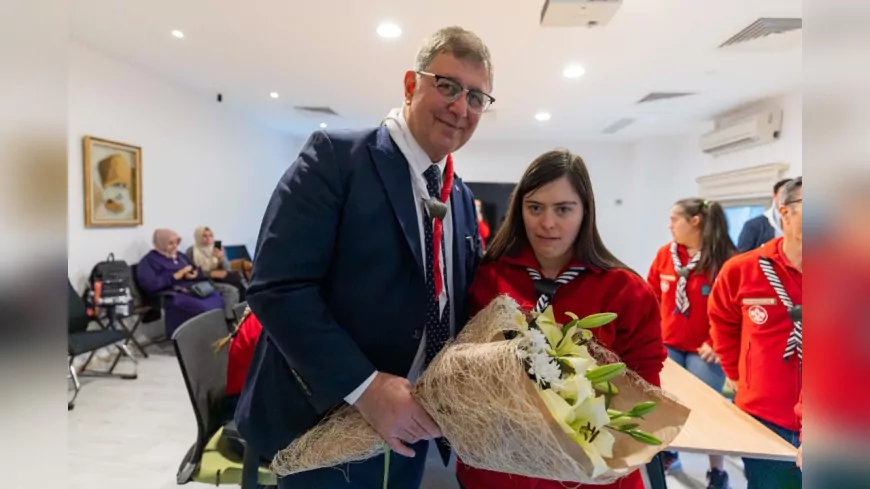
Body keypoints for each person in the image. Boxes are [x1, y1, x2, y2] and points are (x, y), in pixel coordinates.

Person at [235, 26, 493, 489]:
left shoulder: (459, 198)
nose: (461, 107)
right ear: (411, 85)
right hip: (321, 425)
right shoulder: (335, 159)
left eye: (477, 97)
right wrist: (367, 388)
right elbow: (278, 289)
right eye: (448, 85)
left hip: (413, 427)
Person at [455, 149, 667, 489]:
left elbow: (645, 393)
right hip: (499, 471)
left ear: (585, 212)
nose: (548, 223)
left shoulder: (625, 291)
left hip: (587, 475)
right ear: (519, 209)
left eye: (563, 209)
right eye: (535, 207)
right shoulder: (489, 278)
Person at [709, 177, 803, 489]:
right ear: (784, 211)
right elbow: (722, 320)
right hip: (763, 413)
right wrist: (736, 372)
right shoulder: (743, 269)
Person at [646, 198, 736, 488]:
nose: (669, 225)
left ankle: (717, 471)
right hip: (668, 343)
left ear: (695, 221)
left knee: (708, 412)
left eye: (675, 219)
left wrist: (716, 342)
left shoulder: (724, 260)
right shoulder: (665, 255)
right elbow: (650, 297)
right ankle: (668, 452)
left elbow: (733, 309)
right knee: (664, 405)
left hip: (704, 350)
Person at [136, 229, 224, 337]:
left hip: (191, 289)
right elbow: (150, 284)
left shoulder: (180, 256)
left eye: (176, 242)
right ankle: (187, 337)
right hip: (171, 293)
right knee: (202, 306)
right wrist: (175, 276)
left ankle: (211, 334)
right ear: (161, 243)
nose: (175, 246)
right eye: (170, 243)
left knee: (216, 297)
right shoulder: (149, 261)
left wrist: (195, 274)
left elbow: (195, 268)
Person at [189, 225, 246, 304]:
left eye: (210, 235)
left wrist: (220, 258)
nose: (208, 238)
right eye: (204, 236)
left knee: (238, 277)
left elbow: (228, 269)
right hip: (205, 279)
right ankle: (233, 315)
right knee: (234, 285)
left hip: (220, 276)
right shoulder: (192, 251)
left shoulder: (218, 249)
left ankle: (244, 308)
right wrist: (210, 274)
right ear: (198, 237)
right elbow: (192, 272)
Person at [736, 178, 791, 252]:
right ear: (774, 196)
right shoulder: (753, 225)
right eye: (783, 195)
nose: (788, 199)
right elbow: (741, 258)